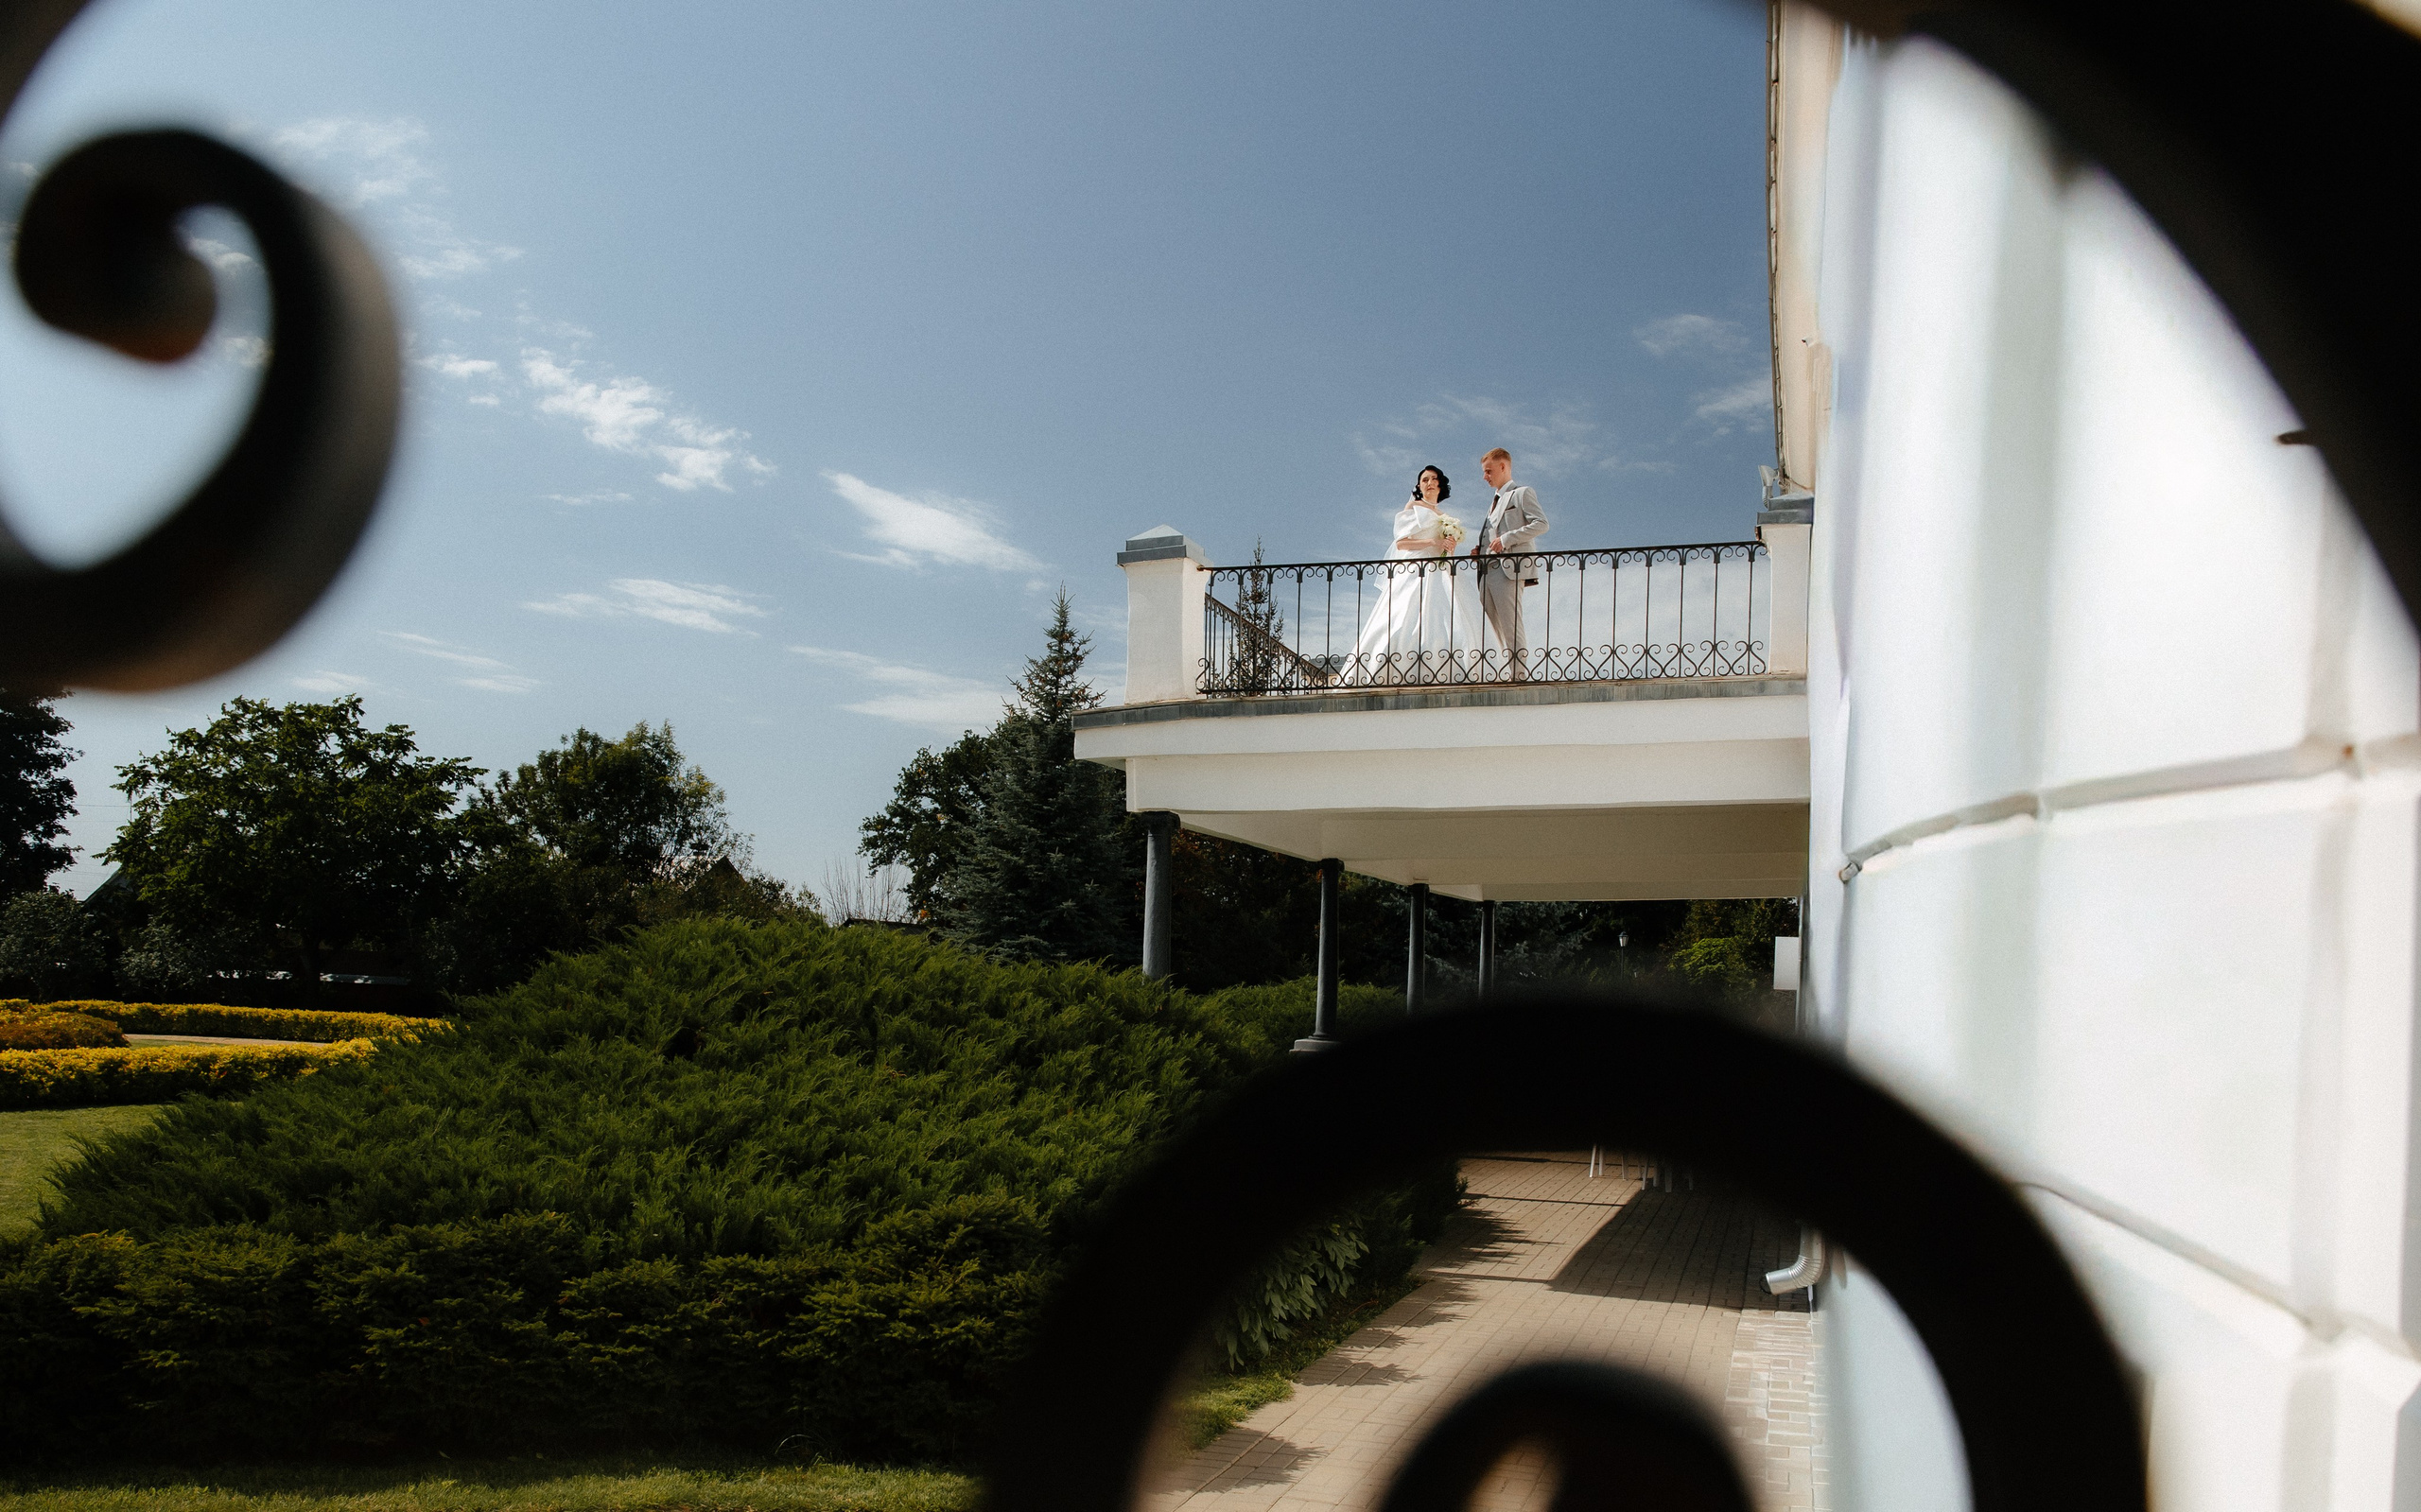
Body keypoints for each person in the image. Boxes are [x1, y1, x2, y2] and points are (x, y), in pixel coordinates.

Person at [1352, 464, 1482, 683]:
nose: (1429, 483)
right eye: (1424, 480)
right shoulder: (1414, 507)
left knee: (1451, 619)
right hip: (1416, 571)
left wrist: (1449, 545)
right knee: (1404, 620)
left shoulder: (1445, 516)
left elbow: (1445, 546)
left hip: (1443, 571)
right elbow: (1402, 543)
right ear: (1419, 486)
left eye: (1433, 479)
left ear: (1441, 484)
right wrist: (1433, 541)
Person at [1471, 448, 1548, 676]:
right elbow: (1492, 532)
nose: (1485, 476)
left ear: (1503, 466)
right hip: (1487, 571)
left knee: (1511, 625)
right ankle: (1495, 672)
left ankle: (1518, 675)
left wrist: (1505, 540)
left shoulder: (1522, 493)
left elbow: (1541, 524)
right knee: (1489, 627)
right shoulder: (1493, 502)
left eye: (1488, 471)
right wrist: (1480, 550)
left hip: (1509, 570)